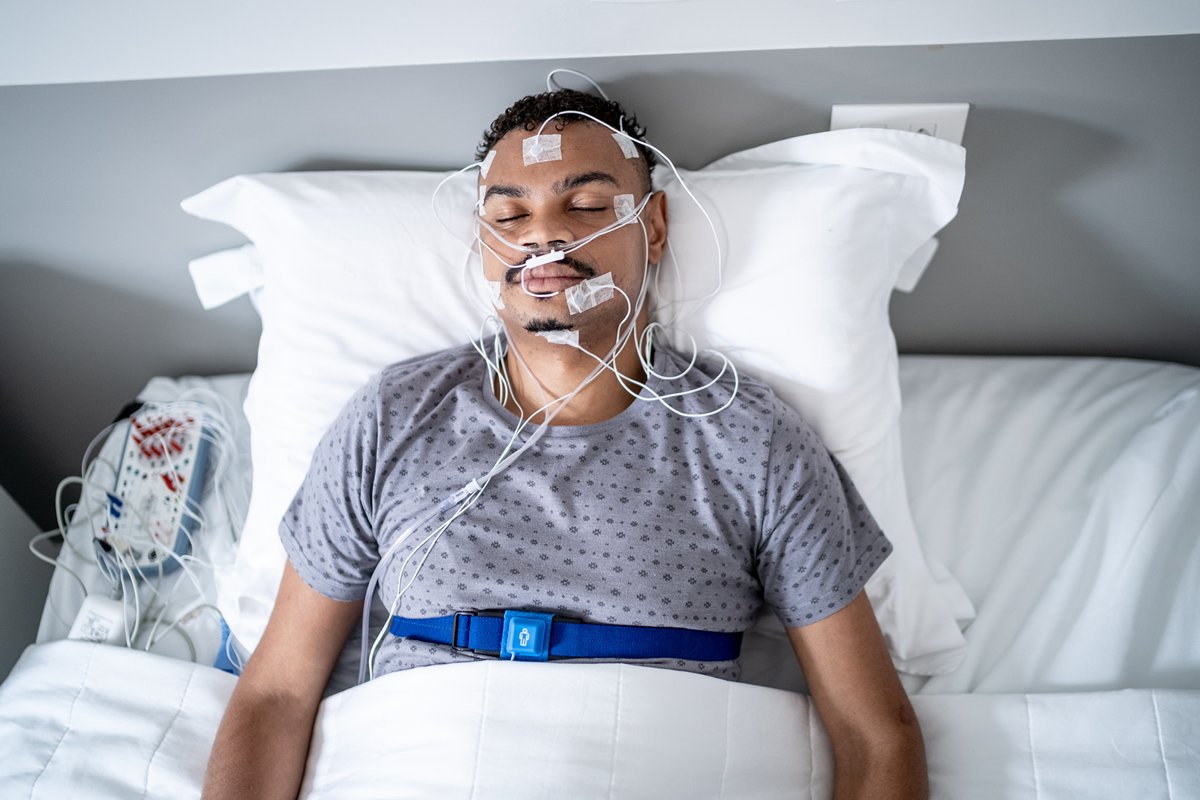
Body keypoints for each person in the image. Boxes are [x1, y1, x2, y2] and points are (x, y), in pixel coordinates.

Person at [202, 89, 927, 799]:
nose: (542, 235)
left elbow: (875, 735)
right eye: (509, 214)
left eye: (584, 205)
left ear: (654, 227)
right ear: (484, 245)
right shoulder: (393, 418)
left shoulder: (752, 444)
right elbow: (276, 695)